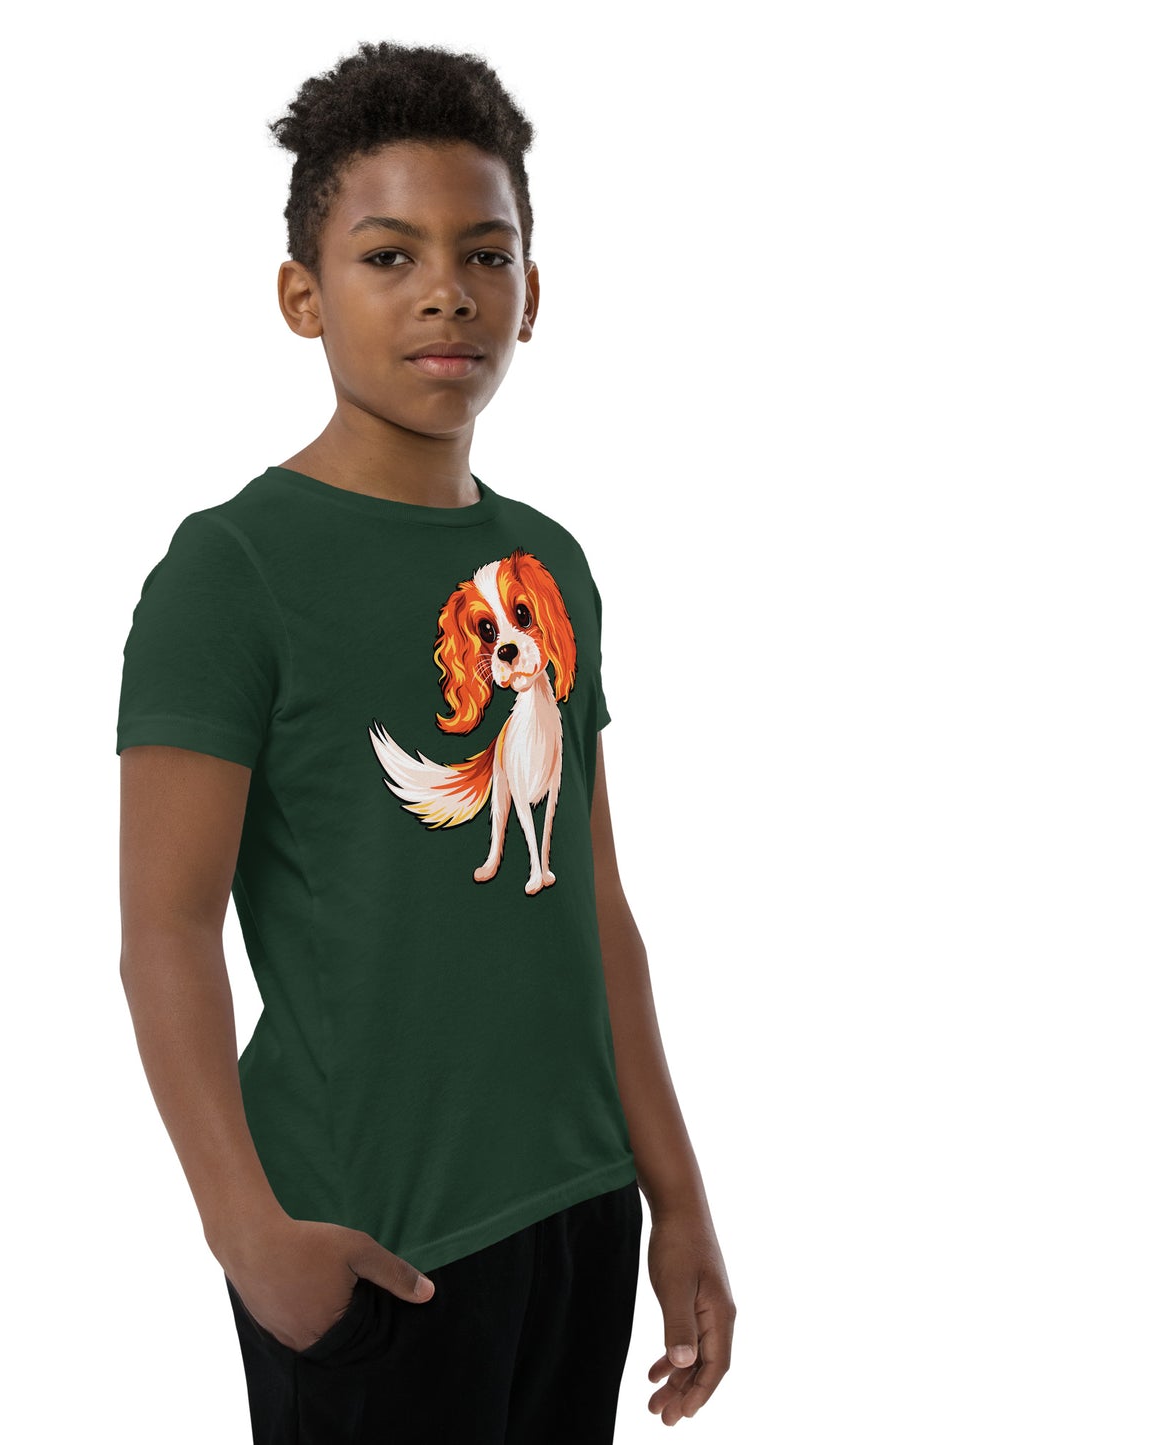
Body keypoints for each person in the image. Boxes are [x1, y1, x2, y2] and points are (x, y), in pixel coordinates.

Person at [116, 39, 734, 1443]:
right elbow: (165, 931)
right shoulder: (233, 570)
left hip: (576, 1206)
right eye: (388, 255)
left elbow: (596, 908)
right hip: (372, 1240)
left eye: (484, 253)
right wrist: (248, 1236)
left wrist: (677, 1196)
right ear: (303, 294)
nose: (445, 291)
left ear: (532, 292)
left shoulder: (548, 565)